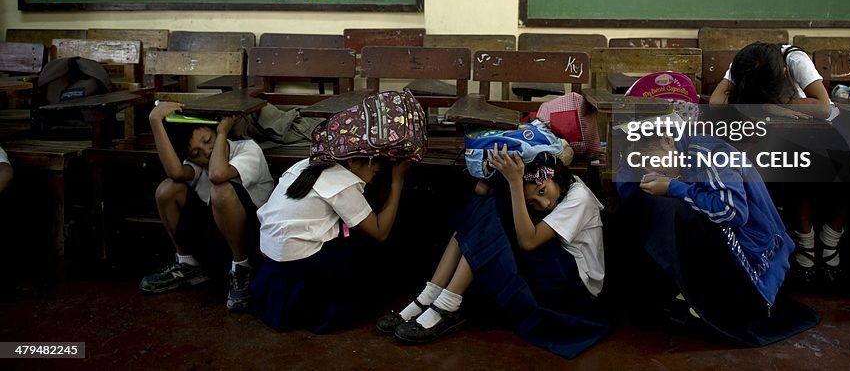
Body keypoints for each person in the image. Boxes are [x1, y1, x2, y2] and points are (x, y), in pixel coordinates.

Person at [378, 148, 609, 359]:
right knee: (485, 206)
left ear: (552, 174)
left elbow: (528, 242)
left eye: (542, 190)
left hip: (576, 289)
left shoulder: (579, 197)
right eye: (534, 203)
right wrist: (504, 178)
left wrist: (516, 184)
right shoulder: (557, 190)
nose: (545, 202)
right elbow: (481, 189)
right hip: (555, 270)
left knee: (490, 212)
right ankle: (431, 295)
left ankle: (448, 303)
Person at [617, 122, 819, 346]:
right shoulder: (668, 150)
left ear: (667, 138)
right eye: (642, 165)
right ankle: (693, 290)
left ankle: (725, 297)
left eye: (651, 161)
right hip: (732, 237)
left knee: (675, 208)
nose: (650, 171)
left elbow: (733, 212)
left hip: (758, 252)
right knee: (650, 205)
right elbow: (626, 186)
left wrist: (674, 187)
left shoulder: (712, 154)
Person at [251, 130, 418, 332]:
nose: (379, 167)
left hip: (272, 262)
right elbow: (380, 231)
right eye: (374, 160)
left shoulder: (303, 166)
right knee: (369, 253)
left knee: (351, 231)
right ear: (351, 162)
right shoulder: (342, 183)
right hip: (298, 270)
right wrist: (397, 182)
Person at [710, 42, 846, 286]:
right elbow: (716, 103)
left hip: (823, 134)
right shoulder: (746, 64)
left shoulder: (794, 60)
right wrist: (767, 106)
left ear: (783, 73)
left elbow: (824, 107)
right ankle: (805, 239)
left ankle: (829, 238)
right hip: (781, 139)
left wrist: (777, 104)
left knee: (843, 163)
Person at [139, 101, 274, 312]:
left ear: (218, 132)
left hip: (253, 239)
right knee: (168, 189)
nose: (207, 152)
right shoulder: (200, 166)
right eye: (196, 153)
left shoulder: (247, 150)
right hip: (216, 240)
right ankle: (188, 264)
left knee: (221, 190)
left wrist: (222, 133)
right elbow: (175, 173)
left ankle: (242, 269)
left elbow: (218, 174)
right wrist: (155, 120)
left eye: (208, 140)